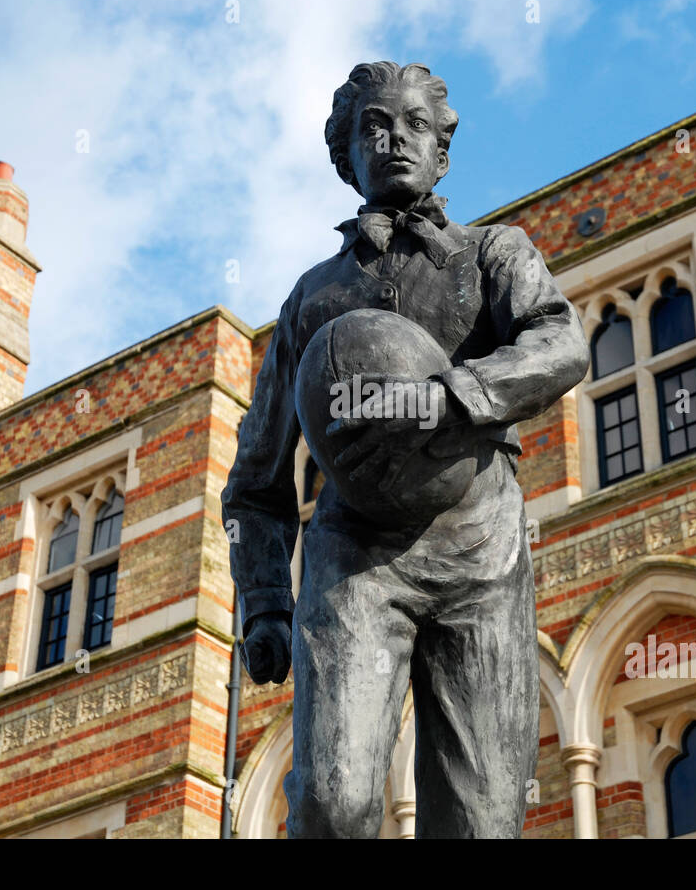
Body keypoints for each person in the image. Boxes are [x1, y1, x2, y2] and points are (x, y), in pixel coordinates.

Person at [221, 62, 589, 837]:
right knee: (332, 802)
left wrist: (452, 395)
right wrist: (263, 602)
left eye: (414, 124)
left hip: (479, 557)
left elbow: (561, 343)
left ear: (443, 151)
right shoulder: (310, 299)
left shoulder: (496, 254)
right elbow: (256, 481)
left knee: (481, 821)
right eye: (373, 127)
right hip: (353, 560)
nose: (394, 140)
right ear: (345, 156)